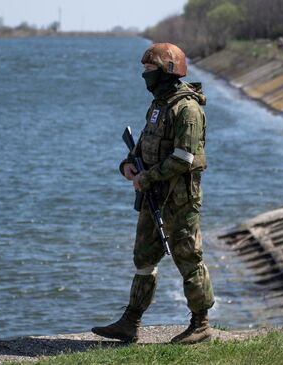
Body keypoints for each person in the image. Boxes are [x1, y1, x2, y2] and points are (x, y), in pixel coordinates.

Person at [91, 43, 214, 344]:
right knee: (144, 257)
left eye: (149, 70)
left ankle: (201, 324)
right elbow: (146, 141)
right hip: (154, 195)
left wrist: (147, 177)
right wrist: (128, 165)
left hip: (180, 199)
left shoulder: (187, 109)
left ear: (167, 71)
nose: (144, 75)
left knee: (188, 258)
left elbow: (184, 159)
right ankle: (130, 322)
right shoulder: (159, 105)